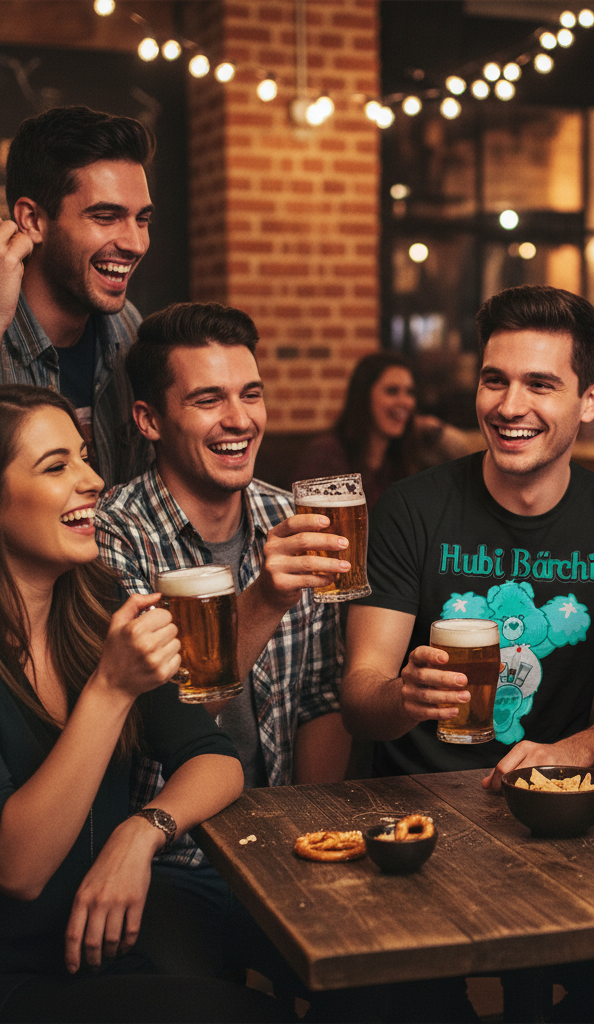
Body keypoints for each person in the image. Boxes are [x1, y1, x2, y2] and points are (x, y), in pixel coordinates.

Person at [0, 385, 290, 1023]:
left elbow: (215, 759)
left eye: (83, 457)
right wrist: (111, 689)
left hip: (105, 954)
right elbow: (18, 867)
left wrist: (141, 832)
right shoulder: (106, 659)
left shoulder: (91, 613)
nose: (92, 479)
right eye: (57, 467)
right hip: (18, 976)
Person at [93, 301, 349, 980]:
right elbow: (158, 724)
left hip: (289, 848)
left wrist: (315, 838)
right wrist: (264, 598)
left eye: (251, 394)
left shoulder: (290, 515)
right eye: (209, 399)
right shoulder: (113, 536)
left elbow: (322, 698)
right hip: (172, 857)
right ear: (149, 419)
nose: (240, 420)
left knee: (393, 998)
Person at [340, 284, 594, 787]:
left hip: (546, 797)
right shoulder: (410, 508)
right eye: (494, 380)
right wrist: (403, 697)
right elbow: (359, 699)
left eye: (540, 385)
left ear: (590, 401)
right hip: (413, 800)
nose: (509, 407)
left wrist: (573, 751)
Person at [1, 106, 156, 487]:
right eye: (106, 217)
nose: (135, 243)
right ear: (33, 220)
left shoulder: (129, 327)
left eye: (142, 219)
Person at [294, 351, 475, 509]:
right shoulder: (328, 453)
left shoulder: (403, 458)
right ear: (364, 397)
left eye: (410, 392)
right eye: (392, 391)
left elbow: (467, 460)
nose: (405, 402)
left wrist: (435, 428)